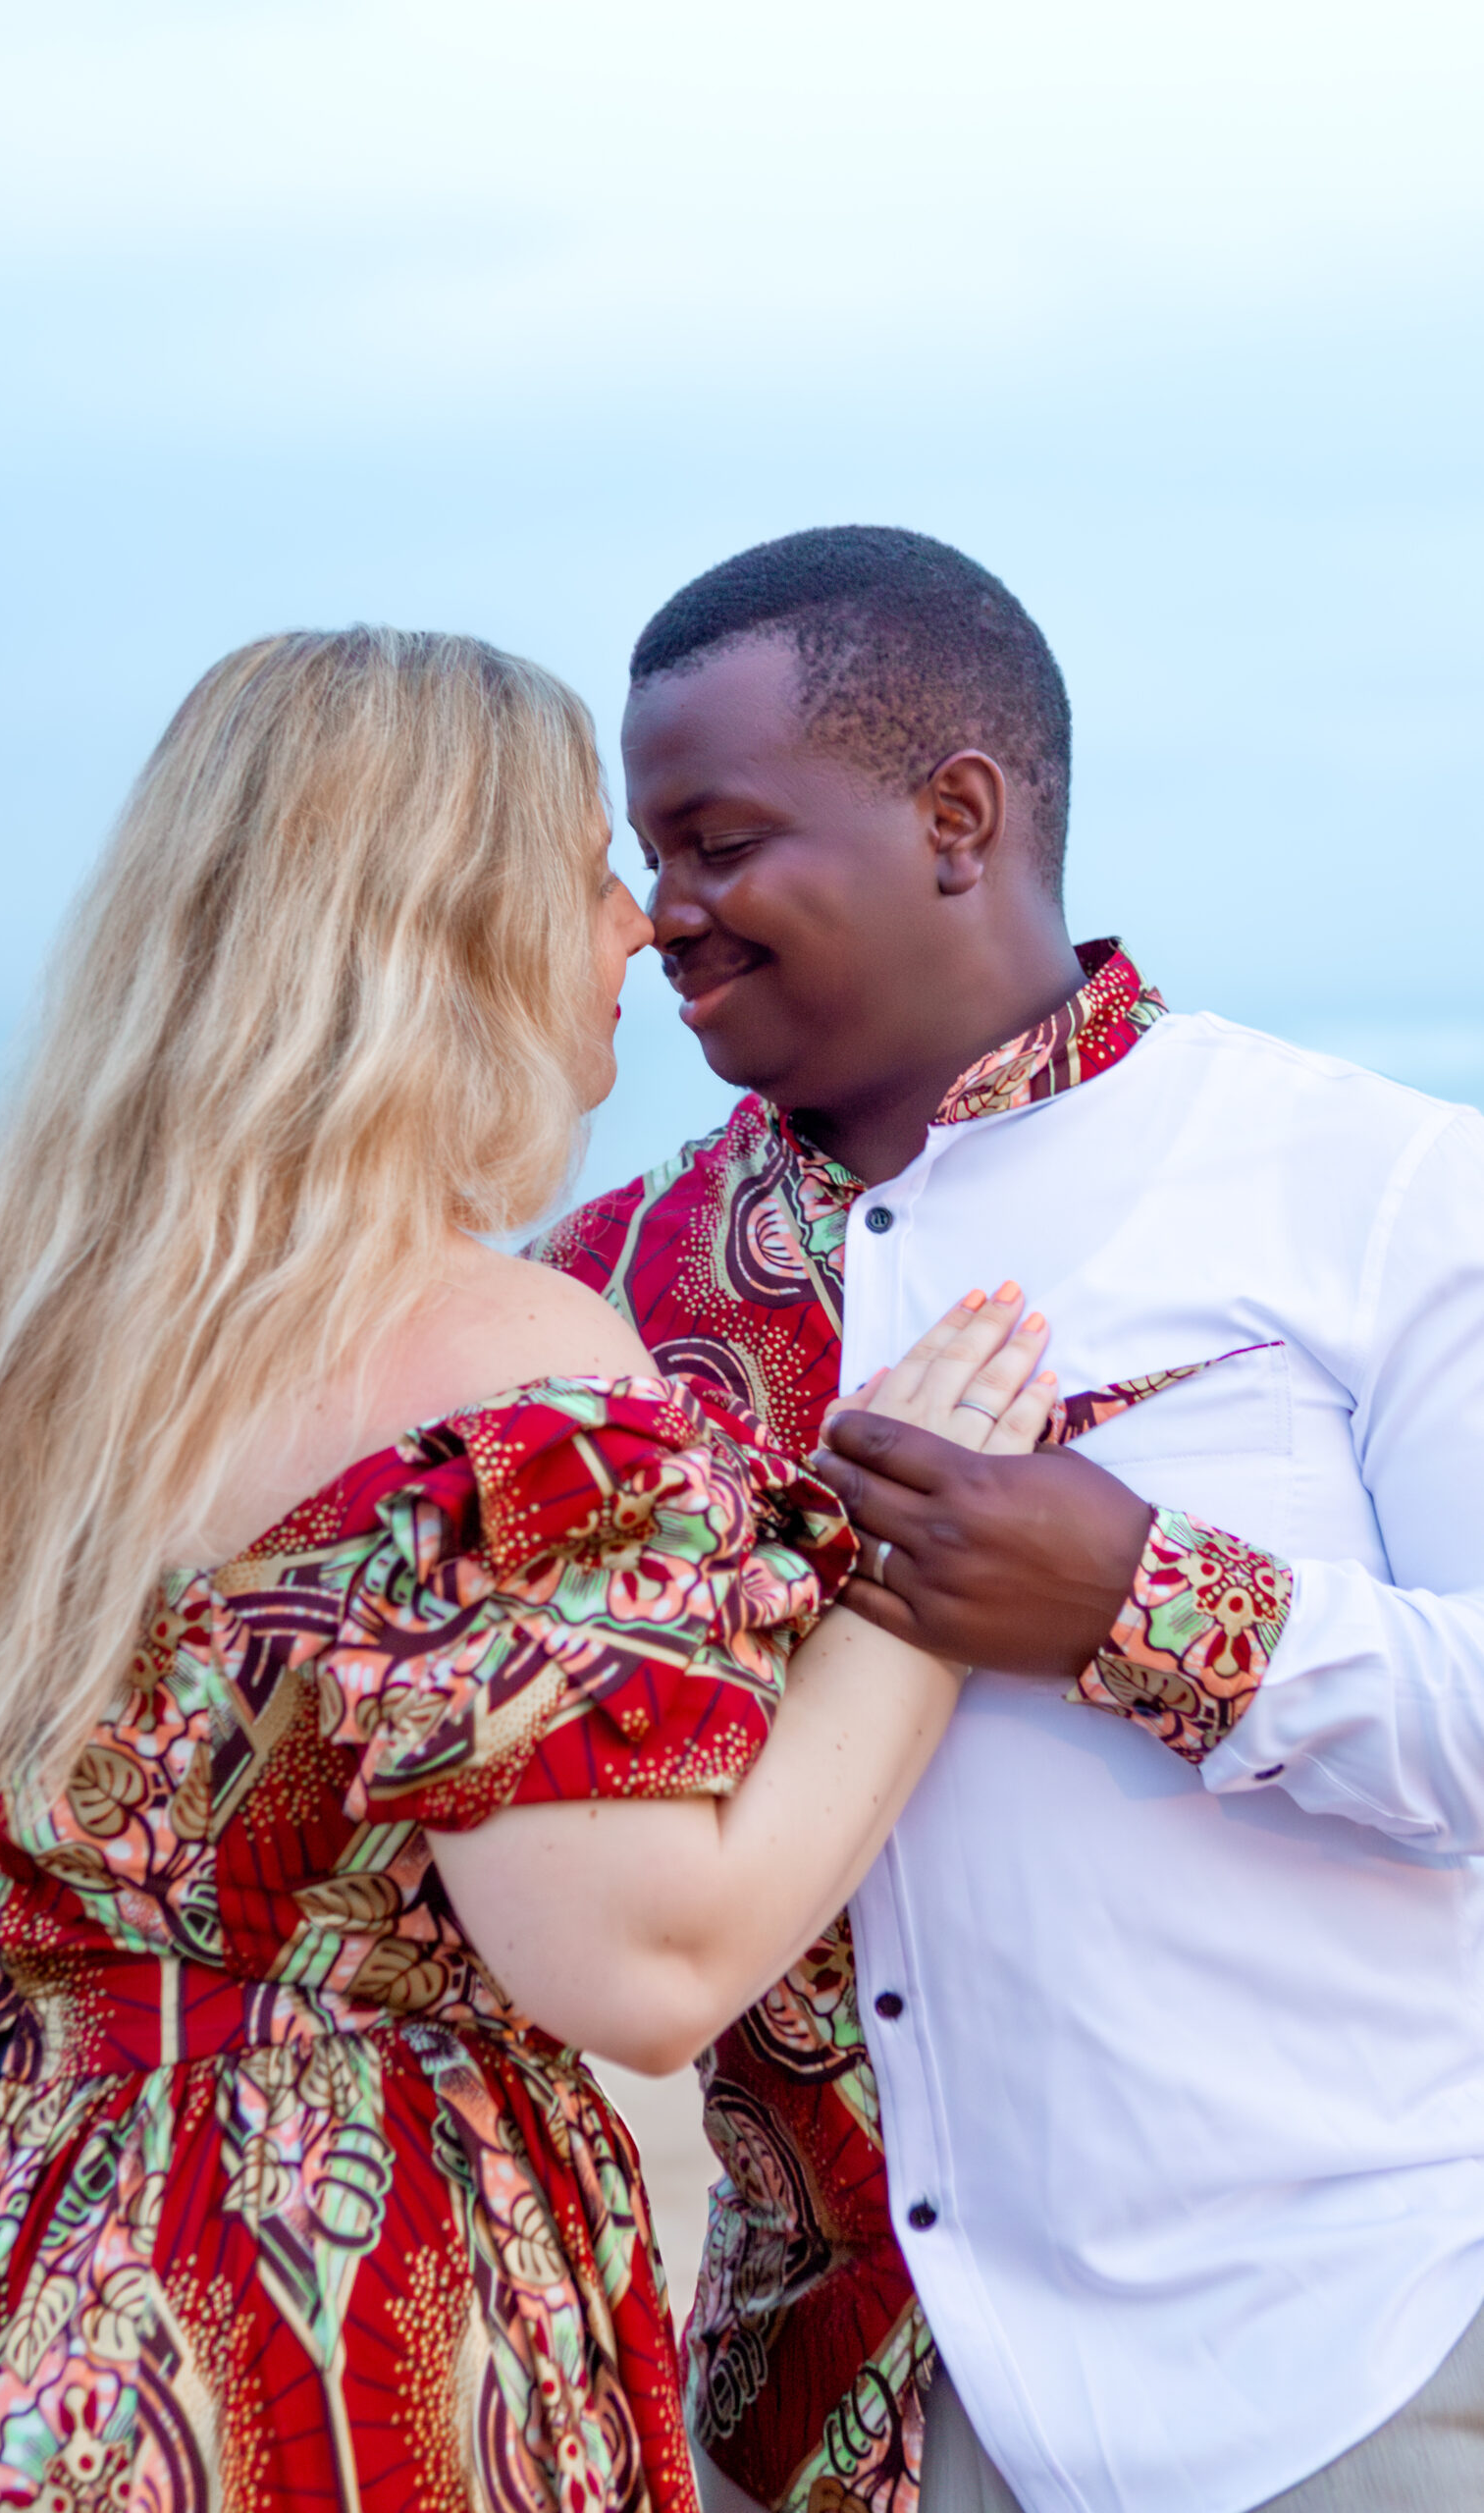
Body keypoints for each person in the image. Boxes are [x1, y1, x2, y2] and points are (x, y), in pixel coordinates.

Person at [0, 623, 1054, 2511]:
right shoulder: (501, 1362)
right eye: (587, 869)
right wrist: (917, 1574)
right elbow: (645, 1962)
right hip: (315, 2286)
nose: (637, 925)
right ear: (451, 932)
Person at [523, 528, 1484, 2513]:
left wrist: (1143, 1600)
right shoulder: (590, 1299)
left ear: (955, 817)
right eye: (648, 855)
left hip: (1337, 2373)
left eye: (718, 842)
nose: (660, 915)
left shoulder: (1374, 1188)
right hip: (818, 2417)